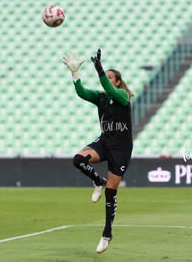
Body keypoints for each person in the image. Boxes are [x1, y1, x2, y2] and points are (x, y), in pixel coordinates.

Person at [62, 49, 134, 254]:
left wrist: (100, 69)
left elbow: (109, 90)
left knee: (112, 193)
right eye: (107, 77)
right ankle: (97, 181)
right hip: (105, 142)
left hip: (121, 149)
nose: (108, 81)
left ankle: (107, 233)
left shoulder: (122, 97)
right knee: (78, 159)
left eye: (112, 78)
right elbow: (82, 92)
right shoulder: (102, 97)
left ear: (118, 82)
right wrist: (75, 74)